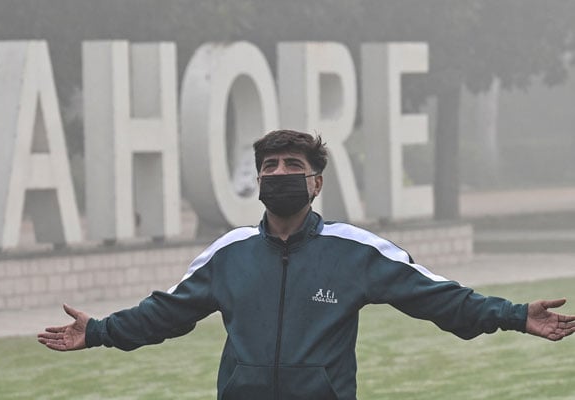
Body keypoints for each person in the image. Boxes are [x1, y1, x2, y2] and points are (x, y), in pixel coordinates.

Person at [38, 129, 575, 400]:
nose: (278, 173)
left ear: (315, 182)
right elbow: (167, 313)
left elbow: (439, 297)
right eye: (268, 166)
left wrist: (513, 315)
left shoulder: (357, 251)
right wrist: (102, 331)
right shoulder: (229, 254)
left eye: (292, 165)